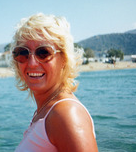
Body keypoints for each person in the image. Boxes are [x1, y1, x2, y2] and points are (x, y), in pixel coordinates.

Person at [11, 13, 98, 151]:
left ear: (64, 59)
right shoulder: (46, 112)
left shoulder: (66, 114)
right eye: (23, 53)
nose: (32, 63)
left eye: (43, 52)